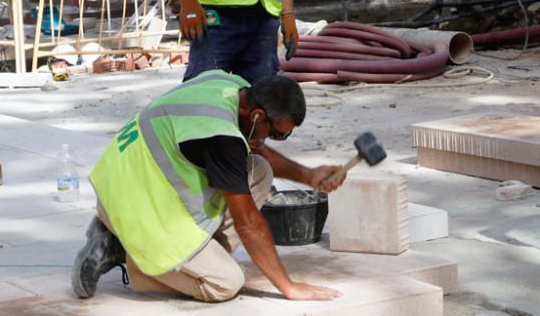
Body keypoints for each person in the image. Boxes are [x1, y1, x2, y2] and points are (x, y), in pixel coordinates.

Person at [71, 70, 346, 303]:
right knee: (225, 283)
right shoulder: (220, 136)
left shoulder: (228, 85)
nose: (275, 138)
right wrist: (288, 287)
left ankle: (178, 255)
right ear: (256, 116)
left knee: (259, 172)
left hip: (118, 186)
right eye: (277, 133)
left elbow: (255, 147)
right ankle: (127, 253)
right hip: (131, 207)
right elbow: (248, 223)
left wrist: (308, 175)